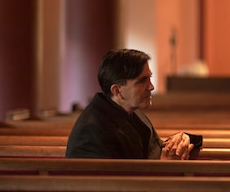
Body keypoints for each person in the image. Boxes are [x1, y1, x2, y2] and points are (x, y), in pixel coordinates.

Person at [66, 48, 201, 160]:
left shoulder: (133, 111)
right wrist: (162, 166)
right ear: (118, 90)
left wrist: (182, 140)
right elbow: (111, 186)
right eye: (142, 81)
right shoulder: (91, 132)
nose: (151, 87)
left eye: (150, 78)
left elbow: (157, 150)